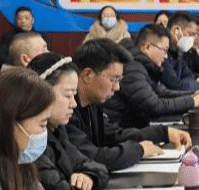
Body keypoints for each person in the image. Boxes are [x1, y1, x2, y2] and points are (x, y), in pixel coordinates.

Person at [69, 38, 191, 172]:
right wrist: (140, 149)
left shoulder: (93, 103)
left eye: (119, 80)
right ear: (87, 75)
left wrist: (164, 133)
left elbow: (115, 136)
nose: (117, 87)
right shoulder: (66, 110)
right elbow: (93, 157)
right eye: (113, 79)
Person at [27, 53, 109, 190]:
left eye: (74, 95)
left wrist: (89, 178)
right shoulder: (30, 140)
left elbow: (97, 167)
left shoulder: (57, 130)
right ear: (42, 94)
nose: (74, 104)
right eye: (67, 95)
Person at [103, 25, 199, 129]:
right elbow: (154, 105)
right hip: (122, 130)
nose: (166, 56)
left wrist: (193, 95)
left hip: (136, 126)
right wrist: (192, 101)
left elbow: (163, 93)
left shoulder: (146, 66)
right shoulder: (133, 68)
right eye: (164, 50)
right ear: (147, 47)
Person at [160, 12, 199, 91]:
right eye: (191, 34)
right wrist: (198, 84)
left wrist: (192, 83)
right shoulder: (161, 51)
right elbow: (176, 86)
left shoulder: (178, 51)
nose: (193, 39)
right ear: (176, 30)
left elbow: (189, 76)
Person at [0, 7, 45, 71]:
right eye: (19, 18)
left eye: (26, 18)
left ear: (32, 20)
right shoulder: (9, 37)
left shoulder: (39, 37)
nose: (23, 21)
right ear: (16, 20)